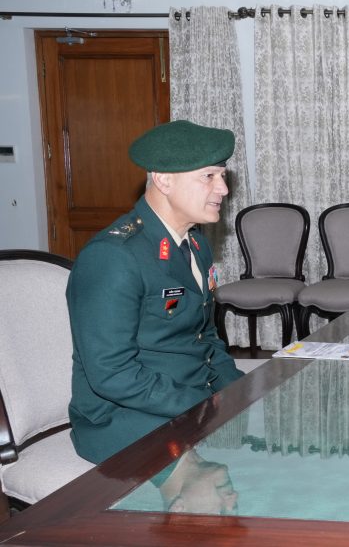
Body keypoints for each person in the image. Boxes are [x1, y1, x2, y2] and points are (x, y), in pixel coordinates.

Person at [67, 120, 245, 464]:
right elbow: (112, 374)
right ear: (163, 180)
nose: (223, 189)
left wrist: (239, 390)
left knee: (270, 444)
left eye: (222, 176)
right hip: (126, 418)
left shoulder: (195, 245)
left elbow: (205, 338)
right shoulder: (113, 256)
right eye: (209, 176)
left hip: (186, 400)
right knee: (219, 483)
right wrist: (202, 406)